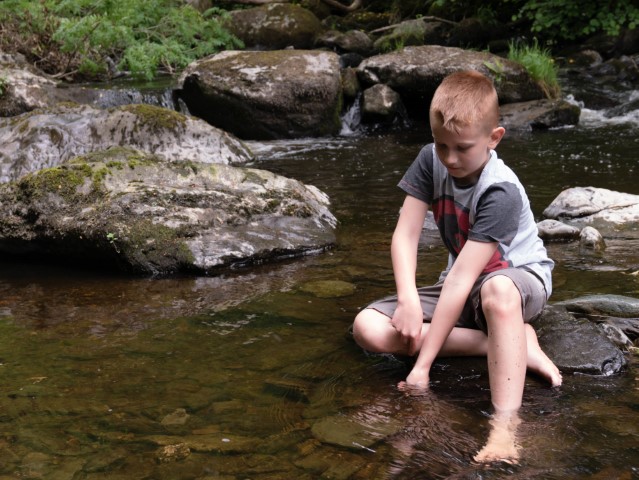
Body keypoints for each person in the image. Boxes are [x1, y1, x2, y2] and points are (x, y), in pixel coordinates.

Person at [352, 70, 562, 463]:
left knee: (497, 290)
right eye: (441, 145)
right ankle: (513, 343)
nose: (449, 158)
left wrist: (423, 366)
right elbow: (405, 235)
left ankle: (505, 431)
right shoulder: (430, 160)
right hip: (462, 286)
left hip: (517, 284)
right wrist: (408, 300)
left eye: (462, 148)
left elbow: (464, 278)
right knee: (368, 327)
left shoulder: (501, 191)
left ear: (494, 138)